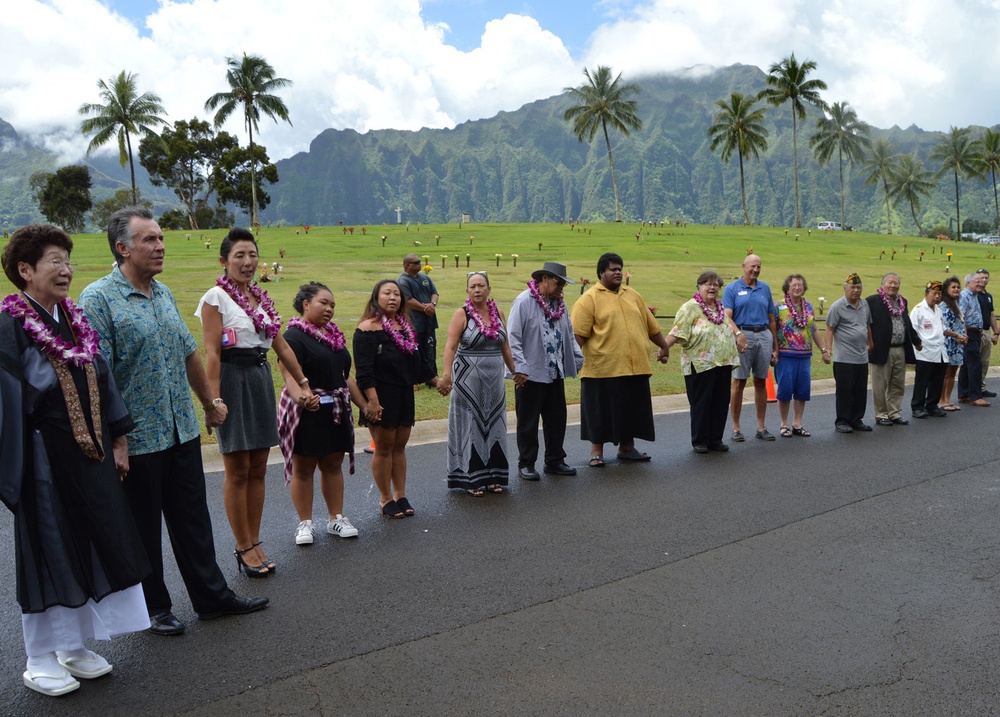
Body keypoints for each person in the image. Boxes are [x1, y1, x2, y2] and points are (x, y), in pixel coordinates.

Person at [79, 207, 268, 638]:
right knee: (143, 528)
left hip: (179, 428)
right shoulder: (98, 299)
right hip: (138, 436)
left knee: (193, 521)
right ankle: (154, 608)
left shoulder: (162, 293)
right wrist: (117, 438)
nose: (160, 246)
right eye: (149, 240)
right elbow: (97, 375)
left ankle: (212, 598)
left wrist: (209, 402)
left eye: (160, 238)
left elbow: (188, 353)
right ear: (123, 248)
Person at [0, 225, 150, 697]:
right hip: (40, 458)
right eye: (53, 261)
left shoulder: (73, 319)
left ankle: (73, 645)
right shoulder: (9, 325)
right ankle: (40, 656)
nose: (66, 270)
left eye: (68, 259)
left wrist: (119, 440)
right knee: (48, 551)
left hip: (87, 453)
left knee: (87, 539)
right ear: (24, 270)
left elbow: (102, 383)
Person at [196, 228, 315, 576]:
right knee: (238, 469)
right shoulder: (215, 299)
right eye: (239, 256)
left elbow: (283, 347)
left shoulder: (260, 300)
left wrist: (303, 382)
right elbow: (213, 355)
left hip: (260, 378)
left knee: (259, 467)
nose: (248, 263)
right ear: (224, 261)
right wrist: (212, 400)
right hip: (232, 381)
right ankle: (242, 544)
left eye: (252, 256)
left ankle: (255, 539)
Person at [277, 282, 366, 545]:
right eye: (323, 303)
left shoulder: (334, 335)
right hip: (309, 409)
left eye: (332, 305)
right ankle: (305, 523)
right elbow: (288, 371)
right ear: (306, 304)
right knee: (304, 468)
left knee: (332, 465)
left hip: (336, 409)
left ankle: (336, 518)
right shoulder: (294, 335)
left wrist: (365, 405)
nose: (329, 309)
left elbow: (344, 376)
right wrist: (301, 398)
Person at [571, 252, 670, 464]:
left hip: (635, 366)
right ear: (601, 273)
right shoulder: (589, 299)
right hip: (602, 368)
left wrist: (663, 346)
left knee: (630, 409)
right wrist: (570, 362)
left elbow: (651, 326)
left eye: (619, 269)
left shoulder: (633, 295)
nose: (617, 272)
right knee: (600, 411)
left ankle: (627, 448)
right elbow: (578, 335)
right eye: (613, 269)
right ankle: (596, 452)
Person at [438, 271, 516, 494]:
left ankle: (493, 476)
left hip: (495, 383)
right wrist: (446, 376)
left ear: (489, 289)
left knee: (495, 426)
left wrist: (514, 371)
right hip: (467, 382)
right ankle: (471, 480)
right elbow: (450, 347)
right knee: (470, 426)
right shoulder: (461, 314)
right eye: (472, 286)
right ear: (467, 291)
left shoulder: (498, 312)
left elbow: (505, 346)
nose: (477, 290)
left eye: (481, 286)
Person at [507, 261, 583, 479]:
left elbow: (568, 333)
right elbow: (513, 337)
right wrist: (519, 368)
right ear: (544, 280)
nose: (561, 288)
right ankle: (527, 463)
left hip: (554, 371)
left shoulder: (560, 303)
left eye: (563, 285)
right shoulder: (523, 301)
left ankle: (555, 460)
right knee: (528, 422)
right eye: (559, 283)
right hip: (530, 374)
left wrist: (577, 357)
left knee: (557, 419)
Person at [353, 279, 423, 518]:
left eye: (396, 294)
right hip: (380, 395)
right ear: (376, 297)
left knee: (400, 447)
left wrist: (436, 381)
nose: (393, 298)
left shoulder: (406, 326)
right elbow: (363, 371)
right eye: (387, 293)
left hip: (403, 393)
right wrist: (372, 401)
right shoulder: (367, 329)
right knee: (384, 447)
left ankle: (400, 494)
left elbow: (418, 361)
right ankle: (385, 498)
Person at [662, 271, 741, 453]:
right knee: (701, 402)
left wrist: (739, 336)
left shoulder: (720, 308)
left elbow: (729, 326)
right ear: (699, 287)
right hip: (700, 363)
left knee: (720, 402)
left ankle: (716, 439)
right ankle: (700, 440)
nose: (712, 287)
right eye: (708, 284)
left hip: (723, 362)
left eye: (716, 284)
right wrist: (664, 348)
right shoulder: (690, 308)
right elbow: (677, 330)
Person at [722, 253, 779, 442]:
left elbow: (771, 319)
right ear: (743, 266)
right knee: (739, 382)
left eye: (759, 266)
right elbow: (726, 316)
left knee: (761, 381)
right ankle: (736, 428)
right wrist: (738, 334)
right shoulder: (732, 289)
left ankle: (761, 427)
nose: (755, 270)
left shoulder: (765, 288)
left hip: (763, 334)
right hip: (743, 334)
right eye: (752, 266)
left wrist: (775, 346)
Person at [773, 274, 828, 437]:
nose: (797, 288)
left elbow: (814, 329)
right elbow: (772, 329)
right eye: (794, 285)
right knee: (785, 390)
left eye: (800, 285)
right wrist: (774, 350)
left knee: (802, 390)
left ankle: (797, 424)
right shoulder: (779, 306)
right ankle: (784, 424)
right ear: (787, 288)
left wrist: (824, 350)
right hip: (785, 355)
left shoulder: (808, 306)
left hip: (804, 356)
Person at [865, 273, 921, 426]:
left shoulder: (902, 301)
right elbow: (865, 324)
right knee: (880, 384)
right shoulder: (872, 301)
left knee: (897, 383)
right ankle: (881, 414)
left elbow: (907, 323)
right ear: (882, 284)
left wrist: (916, 340)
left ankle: (894, 413)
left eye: (896, 283)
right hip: (881, 349)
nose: (893, 286)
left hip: (900, 348)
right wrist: (868, 343)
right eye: (890, 282)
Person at [824, 273, 874, 433]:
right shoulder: (837, 306)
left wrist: (870, 343)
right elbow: (830, 328)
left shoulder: (864, 304)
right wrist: (828, 350)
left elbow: (867, 326)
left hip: (861, 356)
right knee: (845, 391)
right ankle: (842, 420)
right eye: (853, 287)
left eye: (859, 288)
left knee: (860, 390)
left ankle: (856, 419)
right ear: (845, 289)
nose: (856, 291)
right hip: (844, 358)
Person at [397, 254, 440, 388]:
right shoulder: (403, 281)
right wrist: (425, 308)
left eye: (419, 262)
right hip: (415, 322)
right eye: (415, 262)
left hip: (429, 320)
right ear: (406, 265)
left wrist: (432, 304)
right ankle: (414, 379)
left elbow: (435, 293)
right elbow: (408, 301)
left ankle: (431, 376)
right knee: (416, 350)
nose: (419, 264)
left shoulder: (425, 277)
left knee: (430, 348)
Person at [909, 280, 948, 419]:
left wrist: (955, 335)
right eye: (934, 293)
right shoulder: (918, 310)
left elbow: (942, 329)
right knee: (922, 381)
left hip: (940, 350)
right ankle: (917, 407)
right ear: (926, 294)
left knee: (937, 380)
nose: (937, 296)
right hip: (925, 351)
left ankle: (932, 405)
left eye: (939, 293)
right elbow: (912, 330)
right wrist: (916, 344)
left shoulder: (938, 309)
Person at [958, 272, 990, 407]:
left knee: (967, 364)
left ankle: (964, 394)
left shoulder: (975, 296)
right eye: (977, 281)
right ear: (968, 283)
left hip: (976, 332)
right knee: (975, 364)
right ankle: (975, 396)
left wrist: (980, 329)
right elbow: (961, 316)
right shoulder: (965, 296)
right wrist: (965, 334)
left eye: (981, 281)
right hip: (969, 333)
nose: (980, 283)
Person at [939, 276, 968, 411]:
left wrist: (964, 336)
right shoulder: (943, 306)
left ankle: (948, 399)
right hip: (948, 342)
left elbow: (962, 323)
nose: (956, 289)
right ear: (946, 289)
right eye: (953, 287)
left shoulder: (957, 305)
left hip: (958, 343)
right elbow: (943, 327)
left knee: (952, 373)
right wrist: (956, 336)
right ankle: (941, 400)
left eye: (958, 287)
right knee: (945, 373)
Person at [976, 268, 999, 397]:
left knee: (985, 361)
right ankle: (972, 389)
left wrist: (995, 333)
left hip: (986, 331)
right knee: (975, 362)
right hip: (976, 331)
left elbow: (991, 314)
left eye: (986, 277)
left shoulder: (988, 296)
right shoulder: (973, 295)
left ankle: (981, 387)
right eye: (981, 277)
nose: (984, 280)